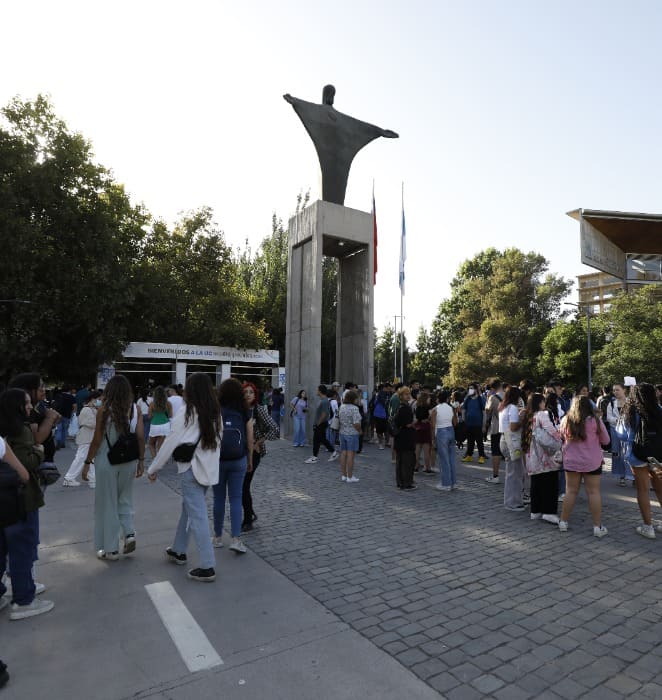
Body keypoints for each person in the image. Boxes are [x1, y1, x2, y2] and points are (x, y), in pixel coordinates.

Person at [147, 373, 222, 581]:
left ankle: (208, 565)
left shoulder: (187, 413)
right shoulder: (216, 413)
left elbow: (170, 443)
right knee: (188, 511)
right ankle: (178, 549)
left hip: (190, 469)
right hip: (206, 471)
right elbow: (218, 442)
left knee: (196, 516)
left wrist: (153, 468)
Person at [0, 389, 54, 619]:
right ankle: (24, 599)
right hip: (18, 499)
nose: (31, 407)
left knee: (2, 550)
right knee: (22, 549)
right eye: (28, 403)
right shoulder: (18, 431)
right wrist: (39, 452)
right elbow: (23, 470)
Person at [82, 375, 145, 560]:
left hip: (107, 461)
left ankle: (111, 549)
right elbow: (141, 437)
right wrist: (141, 460)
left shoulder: (104, 410)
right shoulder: (136, 409)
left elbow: (96, 440)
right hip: (129, 462)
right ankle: (129, 533)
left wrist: (87, 463)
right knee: (125, 499)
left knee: (107, 503)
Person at [558, 396, 609, 537]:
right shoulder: (595, 421)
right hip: (592, 461)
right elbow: (606, 440)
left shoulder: (566, 420)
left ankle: (563, 521)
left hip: (571, 461)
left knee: (570, 491)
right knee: (593, 492)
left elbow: (560, 436)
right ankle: (597, 527)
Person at [213, 378, 254, 554]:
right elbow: (250, 436)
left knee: (218, 499)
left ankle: (217, 537)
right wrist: (250, 458)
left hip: (218, 460)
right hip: (238, 459)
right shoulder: (244, 410)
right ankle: (236, 539)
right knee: (236, 498)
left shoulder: (215, 409)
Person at [618, 383, 662, 539]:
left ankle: (648, 527)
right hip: (657, 455)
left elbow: (621, 434)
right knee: (660, 488)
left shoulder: (630, 411)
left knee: (642, 490)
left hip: (637, 454)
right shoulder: (659, 410)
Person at [242, 381, 279, 532]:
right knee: (241, 487)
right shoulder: (239, 409)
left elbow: (275, 429)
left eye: (251, 392)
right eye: (245, 392)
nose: (248, 395)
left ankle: (248, 519)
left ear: (255, 394)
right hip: (240, 451)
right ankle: (249, 513)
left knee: (244, 486)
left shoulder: (259, 410)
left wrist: (259, 441)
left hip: (255, 452)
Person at [523, 393, 562, 524]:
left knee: (536, 483)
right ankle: (549, 511)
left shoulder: (528, 416)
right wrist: (560, 438)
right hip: (544, 455)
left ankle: (535, 510)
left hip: (531, 455)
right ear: (540, 403)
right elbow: (551, 429)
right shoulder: (541, 414)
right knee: (550, 483)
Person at [63, 390, 101, 488]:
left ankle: (92, 479)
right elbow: (93, 424)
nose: (100, 401)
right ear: (94, 399)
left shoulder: (92, 409)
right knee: (81, 458)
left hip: (90, 437)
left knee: (91, 458)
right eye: (99, 399)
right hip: (86, 437)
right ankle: (69, 478)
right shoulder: (87, 409)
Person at [499, 386, 526, 512]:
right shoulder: (514, 408)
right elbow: (513, 427)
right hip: (512, 442)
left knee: (513, 472)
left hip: (504, 440)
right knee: (515, 473)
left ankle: (514, 500)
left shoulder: (504, 407)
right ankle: (512, 502)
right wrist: (522, 419)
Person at [431, 390, 457, 491]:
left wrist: (433, 439)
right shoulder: (451, 408)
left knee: (443, 460)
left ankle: (446, 484)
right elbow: (455, 423)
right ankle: (453, 482)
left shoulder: (435, 409)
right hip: (451, 431)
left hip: (441, 433)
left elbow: (433, 426)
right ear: (447, 399)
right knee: (451, 459)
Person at [304, 385, 338, 464]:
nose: (316, 391)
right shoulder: (323, 400)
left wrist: (317, 424)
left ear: (320, 391)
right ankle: (334, 452)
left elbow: (324, 414)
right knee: (322, 439)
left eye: (317, 389)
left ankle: (314, 457)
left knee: (316, 440)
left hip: (321, 424)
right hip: (321, 423)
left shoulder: (324, 401)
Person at [606, 383, 630, 486]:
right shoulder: (611, 404)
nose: (615, 392)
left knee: (629, 453)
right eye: (614, 390)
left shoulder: (631, 402)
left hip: (629, 431)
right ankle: (621, 476)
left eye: (617, 390)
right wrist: (619, 420)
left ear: (624, 390)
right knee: (617, 453)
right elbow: (609, 418)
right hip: (615, 430)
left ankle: (632, 476)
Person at [393, 386, 416, 490]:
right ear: (401, 396)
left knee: (400, 461)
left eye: (408, 394)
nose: (408, 396)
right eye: (406, 394)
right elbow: (408, 424)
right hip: (406, 438)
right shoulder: (405, 408)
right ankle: (407, 483)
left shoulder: (400, 407)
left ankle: (401, 482)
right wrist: (415, 423)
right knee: (407, 462)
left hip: (400, 437)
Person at [338, 389, 362, 483]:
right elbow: (357, 423)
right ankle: (350, 476)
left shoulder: (342, 406)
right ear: (353, 399)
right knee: (351, 455)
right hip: (352, 434)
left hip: (342, 432)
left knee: (343, 454)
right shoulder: (354, 408)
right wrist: (360, 431)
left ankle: (344, 475)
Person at [483, 379, 503, 483]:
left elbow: (487, 411)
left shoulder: (493, 397)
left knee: (496, 452)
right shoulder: (510, 395)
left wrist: (488, 398)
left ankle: (495, 476)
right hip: (511, 428)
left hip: (497, 428)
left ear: (492, 388)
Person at [461, 383, 486, 464]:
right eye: (469, 388)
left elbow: (484, 413)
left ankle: (481, 456)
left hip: (478, 424)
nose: (470, 390)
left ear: (476, 389)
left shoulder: (480, 399)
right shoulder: (467, 399)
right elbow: (464, 410)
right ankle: (469, 456)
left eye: (472, 388)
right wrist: (464, 420)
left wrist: (484, 425)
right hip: (468, 424)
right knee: (470, 441)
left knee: (479, 441)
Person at [148, 386, 172, 459]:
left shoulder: (152, 404)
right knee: (160, 445)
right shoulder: (168, 403)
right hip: (165, 425)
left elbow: (149, 416)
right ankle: (159, 461)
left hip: (155, 425)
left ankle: (155, 461)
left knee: (151, 444)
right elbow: (170, 415)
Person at [413, 390, 432, 473]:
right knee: (426, 450)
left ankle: (415, 467)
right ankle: (427, 468)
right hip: (426, 428)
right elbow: (430, 417)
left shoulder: (417, 407)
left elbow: (416, 418)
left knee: (417, 450)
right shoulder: (428, 407)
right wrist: (427, 419)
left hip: (418, 427)